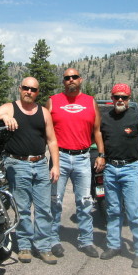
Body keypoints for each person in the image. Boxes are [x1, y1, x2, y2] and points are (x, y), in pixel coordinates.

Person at [0, 77, 60, 265]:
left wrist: (55, 165)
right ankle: (24, 246)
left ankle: (44, 247)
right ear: (20, 88)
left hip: (40, 164)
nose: (29, 92)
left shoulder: (44, 113)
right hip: (16, 164)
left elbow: (52, 140)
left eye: (33, 89)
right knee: (22, 208)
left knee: (44, 209)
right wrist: (3, 117)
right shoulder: (9, 107)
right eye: (26, 88)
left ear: (37, 92)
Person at [46, 68, 105, 258]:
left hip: (82, 157)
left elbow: (97, 131)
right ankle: (53, 240)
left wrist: (101, 154)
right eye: (67, 78)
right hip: (59, 157)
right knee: (55, 201)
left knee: (85, 201)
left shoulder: (90, 101)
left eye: (74, 77)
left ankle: (86, 241)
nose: (70, 80)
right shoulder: (53, 101)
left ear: (81, 79)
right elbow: (43, 129)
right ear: (63, 82)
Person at [99, 83, 138, 269]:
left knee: (133, 212)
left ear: (129, 99)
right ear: (112, 98)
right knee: (113, 210)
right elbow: (97, 137)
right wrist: (100, 157)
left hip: (130, 169)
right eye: (117, 97)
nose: (120, 100)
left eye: (124, 97)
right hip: (110, 169)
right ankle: (113, 245)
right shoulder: (105, 118)